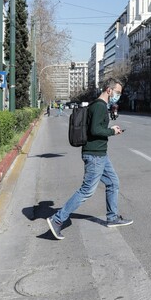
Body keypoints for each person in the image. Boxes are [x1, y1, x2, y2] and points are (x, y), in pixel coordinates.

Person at [47, 78, 132, 240]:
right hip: (94, 155)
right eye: (118, 92)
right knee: (87, 190)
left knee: (113, 182)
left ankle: (112, 217)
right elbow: (95, 130)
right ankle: (57, 219)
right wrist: (112, 131)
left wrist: (109, 129)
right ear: (109, 90)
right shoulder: (99, 106)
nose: (118, 96)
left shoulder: (96, 105)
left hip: (100, 154)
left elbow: (95, 128)